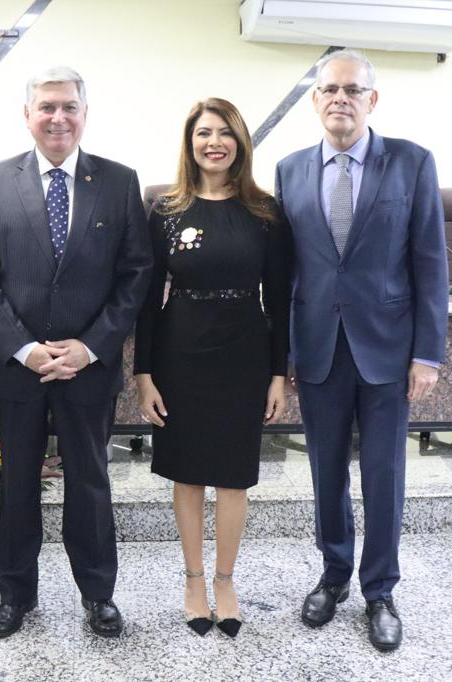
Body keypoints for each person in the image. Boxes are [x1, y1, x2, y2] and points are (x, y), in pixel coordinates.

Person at [0, 66, 152, 639]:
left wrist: (91, 347)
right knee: (17, 482)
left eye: (69, 106)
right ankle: (15, 595)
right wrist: (22, 348)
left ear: (84, 115)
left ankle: (98, 595)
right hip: (18, 370)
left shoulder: (119, 182)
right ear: (27, 115)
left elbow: (136, 275)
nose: (57, 116)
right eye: (46, 106)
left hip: (87, 370)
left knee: (90, 484)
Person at [275, 50, 448, 651]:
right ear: (315, 99)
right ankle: (333, 575)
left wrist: (428, 354)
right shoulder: (290, 170)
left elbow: (429, 263)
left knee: (383, 475)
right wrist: (286, 354)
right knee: (325, 473)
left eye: (352, 90)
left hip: (388, 352)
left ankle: (380, 590)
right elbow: (289, 271)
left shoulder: (411, 163)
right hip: (318, 349)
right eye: (329, 90)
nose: (339, 99)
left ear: (372, 100)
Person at [134, 98, 292, 638]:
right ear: (190, 142)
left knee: (232, 477)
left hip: (244, 354)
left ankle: (226, 580)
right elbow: (147, 299)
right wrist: (144, 373)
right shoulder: (166, 210)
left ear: (241, 142)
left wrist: (278, 374)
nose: (214, 142)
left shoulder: (267, 212)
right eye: (204, 133)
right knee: (188, 473)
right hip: (180, 356)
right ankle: (194, 580)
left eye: (225, 133)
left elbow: (282, 297)